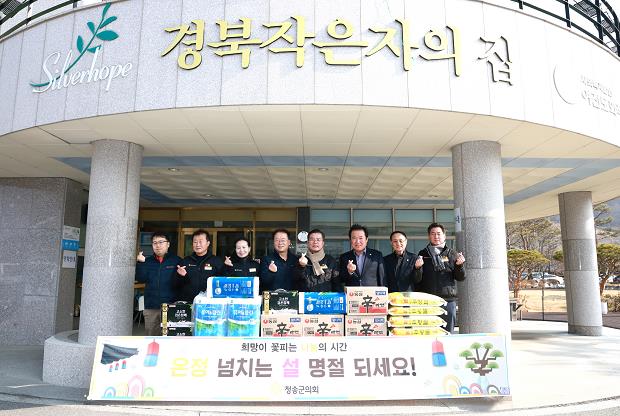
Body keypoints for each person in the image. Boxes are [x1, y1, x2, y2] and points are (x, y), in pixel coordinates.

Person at [414, 223, 466, 333]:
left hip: (448, 300)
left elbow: (461, 277)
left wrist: (459, 266)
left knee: (447, 333)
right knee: (429, 333)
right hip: (428, 301)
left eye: (438, 234)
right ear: (429, 236)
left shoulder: (452, 253)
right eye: (433, 234)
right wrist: (417, 268)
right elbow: (417, 279)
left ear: (444, 236)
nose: (436, 236)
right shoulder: (422, 254)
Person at [135, 232, 181, 336]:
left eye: (161, 242)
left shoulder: (176, 260)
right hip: (151, 306)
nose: (157, 245)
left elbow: (181, 282)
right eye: (154, 243)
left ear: (168, 244)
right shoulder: (147, 261)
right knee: (152, 336)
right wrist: (141, 263)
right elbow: (141, 278)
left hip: (171, 306)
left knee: (170, 336)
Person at [175, 229, 224, 302]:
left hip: (208, 303)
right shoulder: (185, 261)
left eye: (201, 241)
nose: (197, 245)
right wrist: (181, 276)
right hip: (188, 302)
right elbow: (176, 285)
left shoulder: (217, 261)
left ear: (208, 243)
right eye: (195, 242)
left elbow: (222, 283)